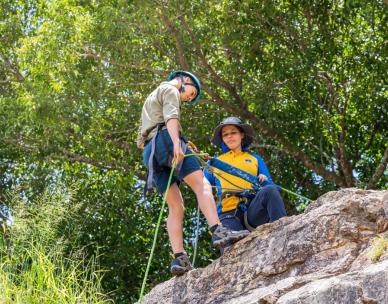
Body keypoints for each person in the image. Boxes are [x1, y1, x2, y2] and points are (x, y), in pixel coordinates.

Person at [136, 72, 249, 276]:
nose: (189, 98)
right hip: (167, 140)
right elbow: (171, 117)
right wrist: (177, 145)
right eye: (191, 92)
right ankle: (218, 230)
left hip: (149, 153)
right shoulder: (170, 89)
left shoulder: (150, 98)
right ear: (184, 80)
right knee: (202, 185)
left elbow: (143, 137)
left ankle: (179, 258)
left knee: (176, 206)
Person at [204, 117, 287, 237]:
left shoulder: (255, 159)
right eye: (225, 134)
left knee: (270, 190)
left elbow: (271, 188)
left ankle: (283, 231)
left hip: (252, 209)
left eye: (233, 132)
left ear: (242, 135)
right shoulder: (214, 162)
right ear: (222, 139)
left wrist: (264, 180)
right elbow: (202, 188)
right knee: (229, 248)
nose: (229, 136)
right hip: (227, 212)